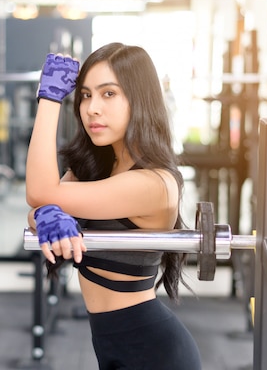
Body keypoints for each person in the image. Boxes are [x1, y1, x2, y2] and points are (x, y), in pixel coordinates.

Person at [26, 43, 202, 370]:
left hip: (154, 352)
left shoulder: (154, 184)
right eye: (86, 95)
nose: (92, 108)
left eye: (108, 94)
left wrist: (49, 99)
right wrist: (45, 213)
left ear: (140, 100)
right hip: (109, 343)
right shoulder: (99, 166)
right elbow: (41, 204)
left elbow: (40, 191)